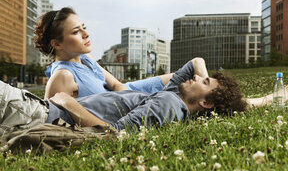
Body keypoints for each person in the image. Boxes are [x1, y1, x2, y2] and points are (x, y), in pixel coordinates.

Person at [0, 58, 246, 136]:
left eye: (203, 83)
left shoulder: (168, 104)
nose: (195, 78)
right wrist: (209, 87)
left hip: (38, 114)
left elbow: (113, 133)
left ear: (206, 103)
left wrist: (67, 101)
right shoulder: (174, 95)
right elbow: (195, 63)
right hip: (33, 110)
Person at [34, 7, 176, 99]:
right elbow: (50, 119)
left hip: (128, 93)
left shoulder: (86, 59)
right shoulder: (62, 76)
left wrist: (140, 98)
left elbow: (115, 85)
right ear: (57, 43)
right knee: (189, 88)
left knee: (191, 69)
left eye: (84, 28)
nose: (86, 34)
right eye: (76, 32)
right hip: (122, 104)